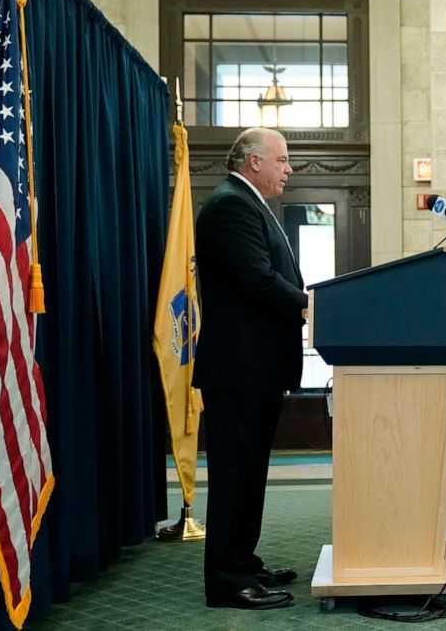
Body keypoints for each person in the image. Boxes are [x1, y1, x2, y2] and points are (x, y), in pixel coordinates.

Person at [193, 128, 307, 610]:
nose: (288, 169)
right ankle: (225, 579)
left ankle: (242, 561)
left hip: (254, 369)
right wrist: (311, 305)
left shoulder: (248, 201)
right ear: (254, 162)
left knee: (250, 472)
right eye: (282, 160)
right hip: (238, 370)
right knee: (234, 472)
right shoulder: (230, 205)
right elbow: (258, 280)